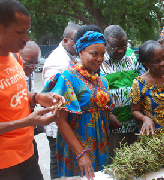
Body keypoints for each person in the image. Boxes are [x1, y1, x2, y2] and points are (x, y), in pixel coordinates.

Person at [0, 0, 64, 180]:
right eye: (19, 32)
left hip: (27, 153)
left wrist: (36, 97)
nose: (26, 39)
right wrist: (26, 122)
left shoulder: (14, 57)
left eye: (27, 31)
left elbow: (14, 95)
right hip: (1, 165)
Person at [42, 26, 114, 179]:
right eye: (94, 54)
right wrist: (81, 154)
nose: (100, 58)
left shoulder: (101, 80)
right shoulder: (68, 78)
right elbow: (61, 121)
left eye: (102, 54)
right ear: (81, 52)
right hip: (77, 146)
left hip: (100, 143)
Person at [42, 23, 81, 179]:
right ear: (66, 40)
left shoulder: (72, 56)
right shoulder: (57, 62)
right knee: (58, 164)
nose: (80, 45)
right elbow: (52, 99)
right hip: (57, 123)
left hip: (68, 122)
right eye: (76, 41)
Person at [100, 25, 138, 162]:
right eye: (116, 46)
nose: (121, 50)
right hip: (113, 126)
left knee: (134, 163)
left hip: (134, 122)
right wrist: (107, 114)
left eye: (124, 45)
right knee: (115, 164)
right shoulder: (99, 60)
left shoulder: (132, 55)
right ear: (106, 43)